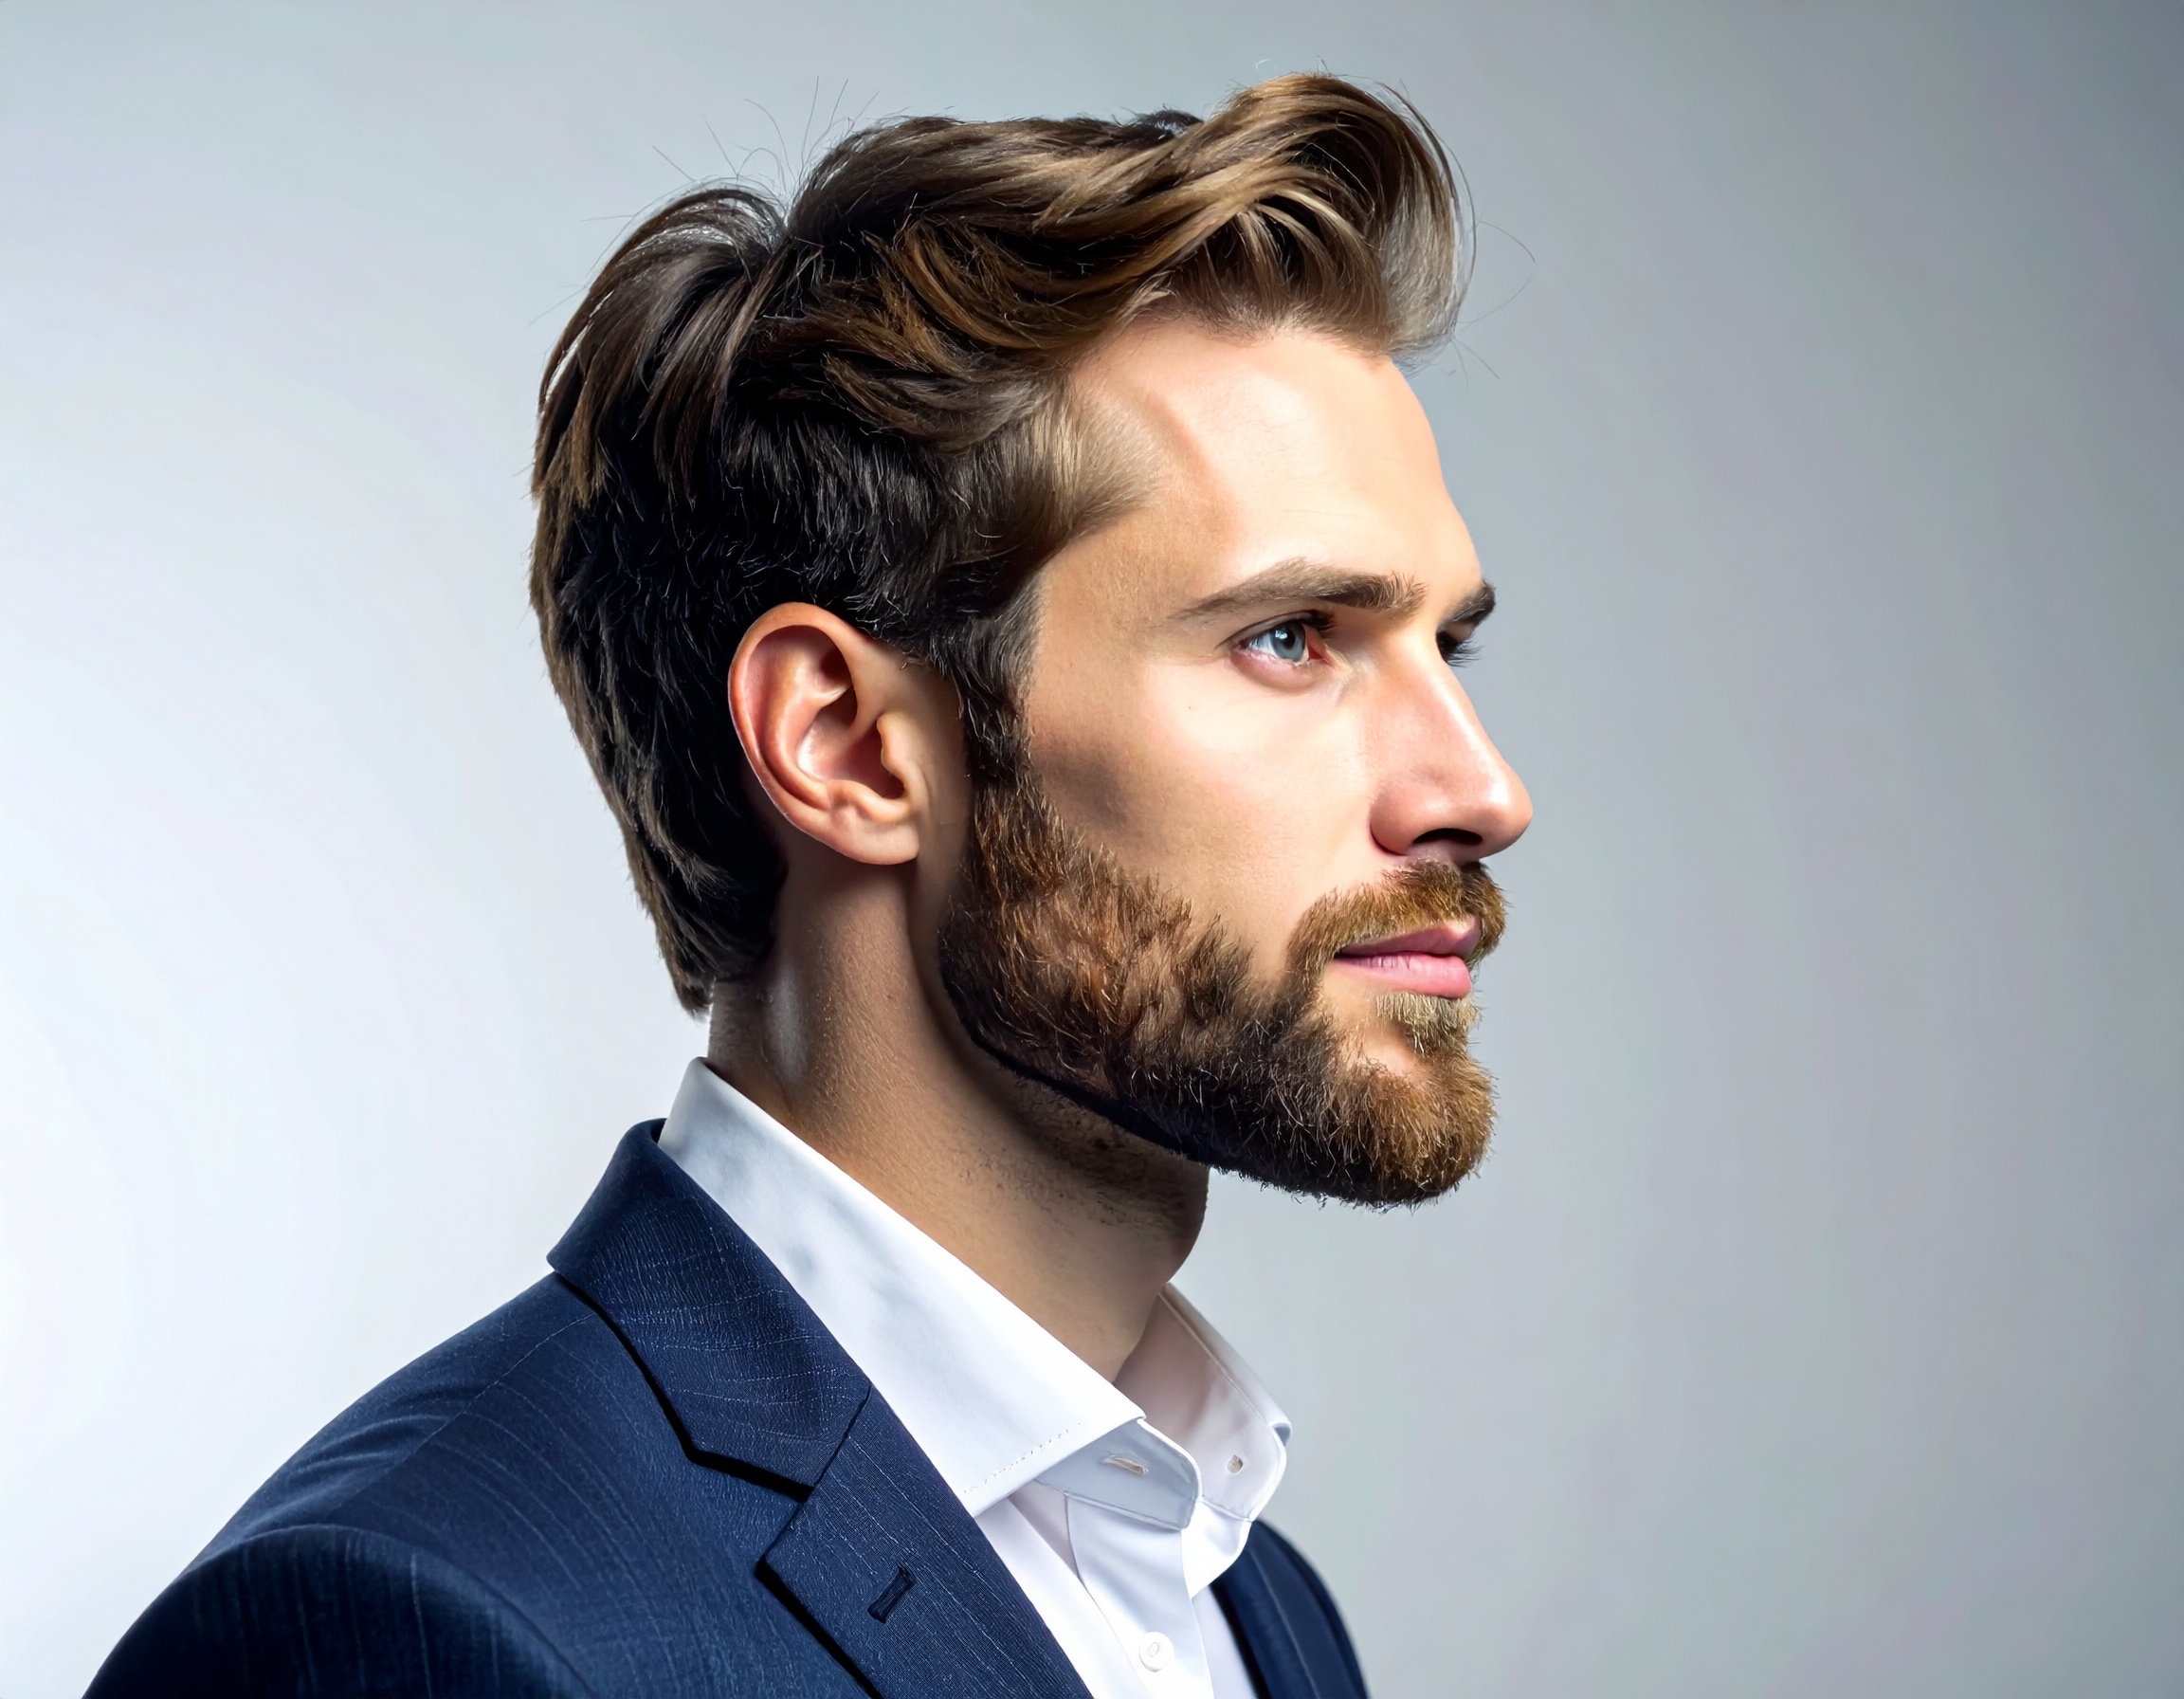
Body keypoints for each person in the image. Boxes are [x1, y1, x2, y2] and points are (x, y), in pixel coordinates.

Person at [90, 71, 1530, 1699]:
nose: (1483, 791)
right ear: (843, 743)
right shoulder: (422, 1629)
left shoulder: (1245, 1601)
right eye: (1290, 639)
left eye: (1448, 645)